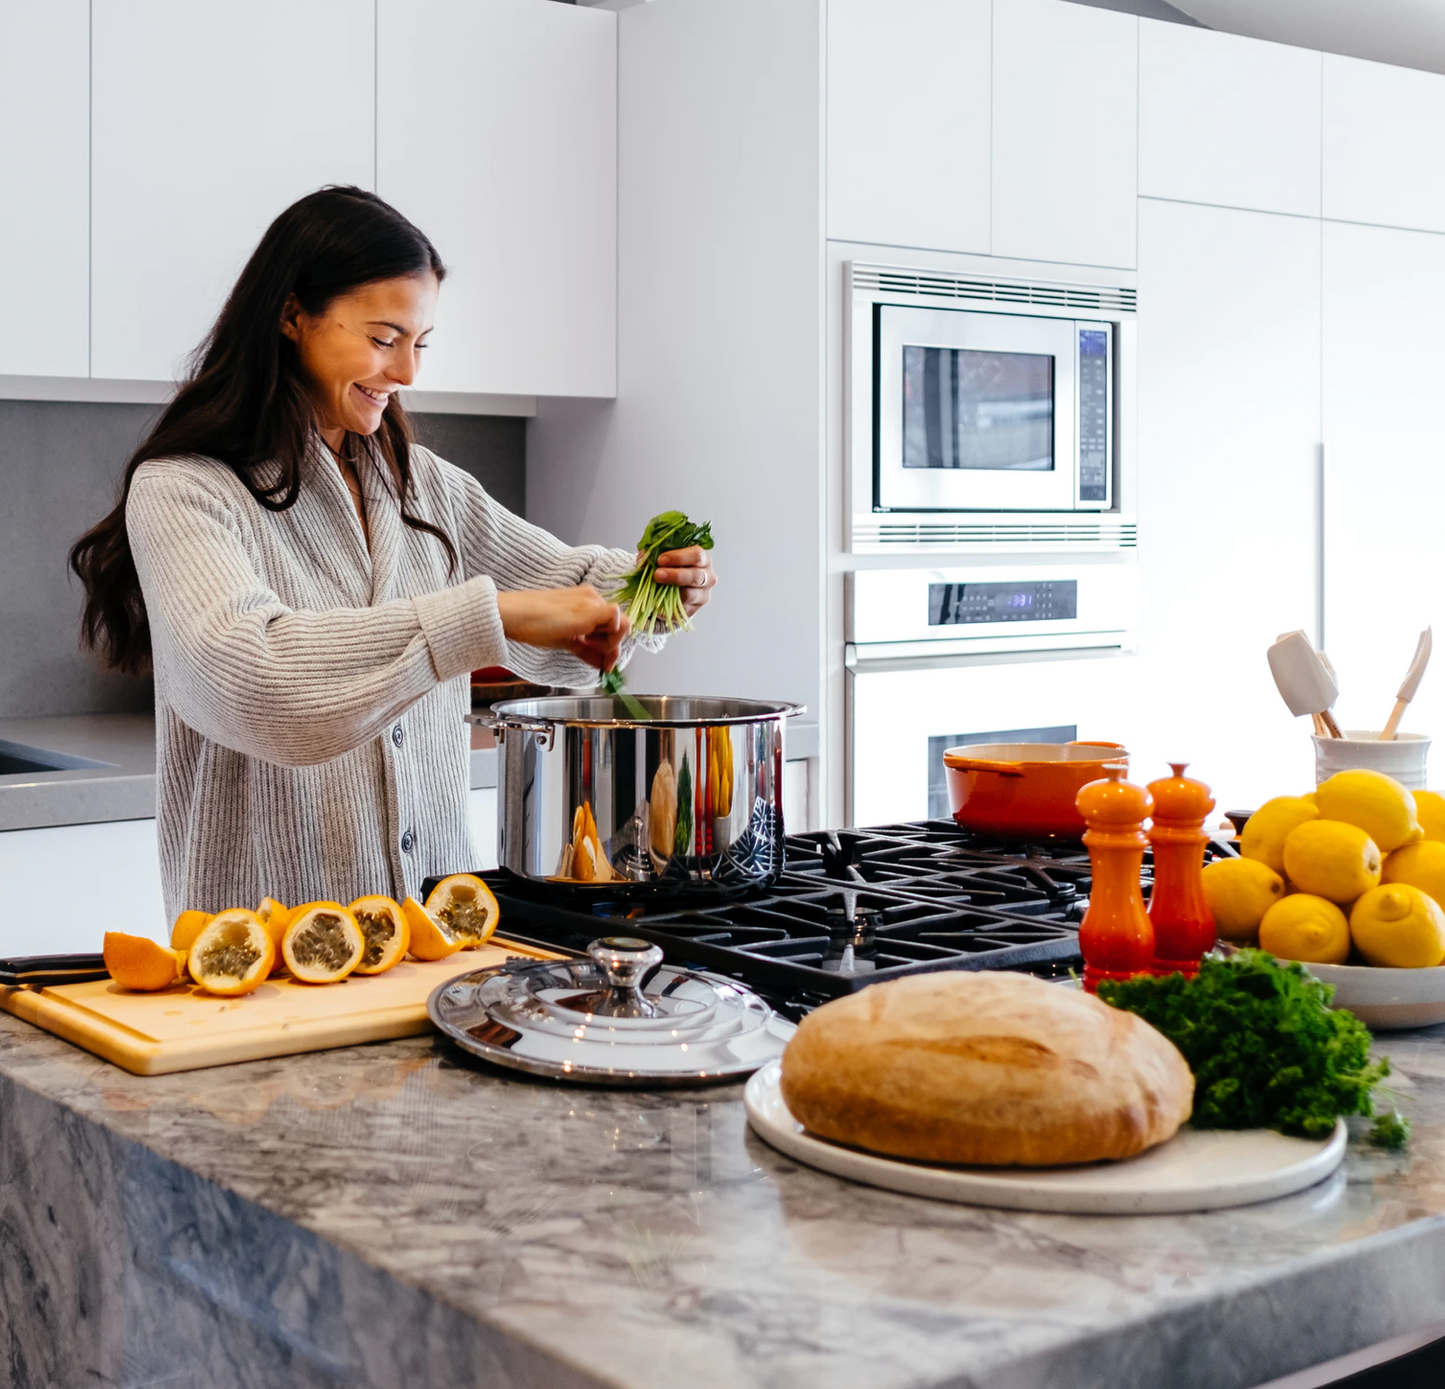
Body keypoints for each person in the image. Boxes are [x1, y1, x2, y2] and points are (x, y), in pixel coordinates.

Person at [70, 186, 715, 921]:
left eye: (420, 342)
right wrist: (485, 618)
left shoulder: (423, 485)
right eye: (384, 338)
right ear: (291, 315)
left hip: (435, 934)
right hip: (265, 949)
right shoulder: (185, 489)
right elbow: (252, 680)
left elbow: (568, 589)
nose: (408, 372)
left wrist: (655, 587)